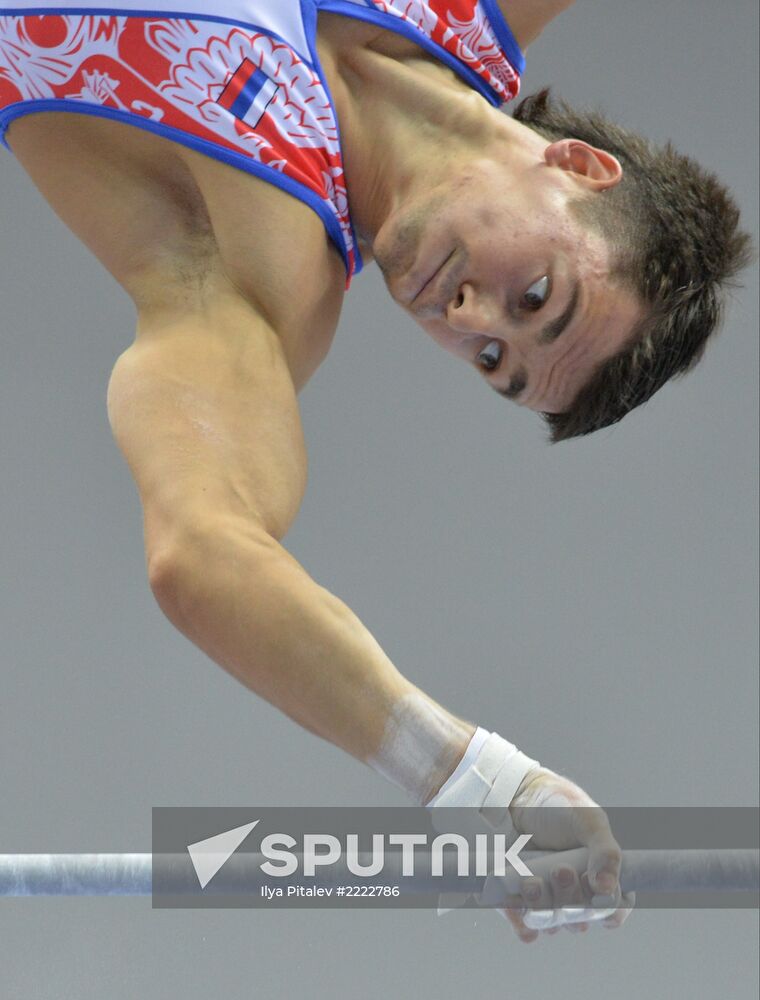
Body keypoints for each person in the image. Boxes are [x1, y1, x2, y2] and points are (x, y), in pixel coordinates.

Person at [0, 1, 750, 941]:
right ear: (581, 169)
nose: (472, 317)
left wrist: (473, 780)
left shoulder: (252, 289)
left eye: (491, 363)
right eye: (537, 296)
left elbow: (202, 552)